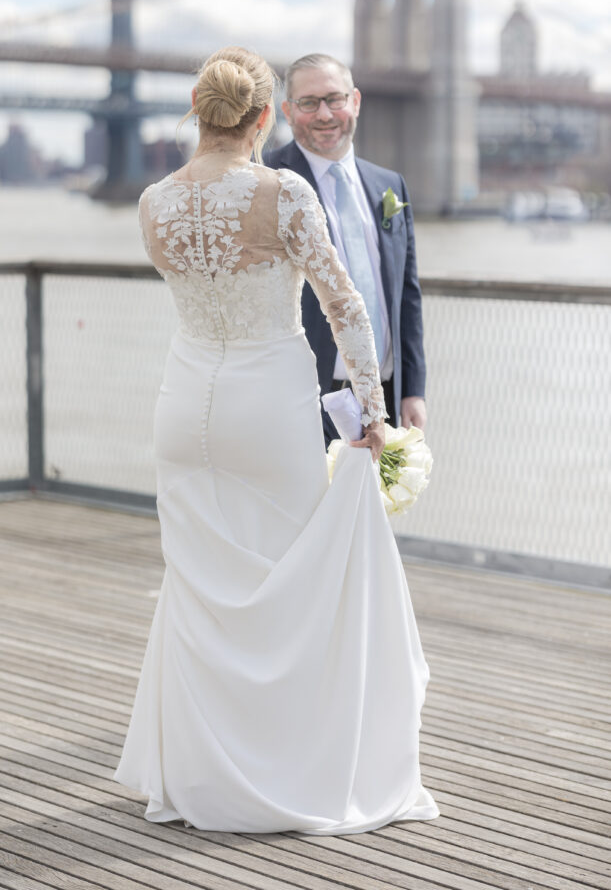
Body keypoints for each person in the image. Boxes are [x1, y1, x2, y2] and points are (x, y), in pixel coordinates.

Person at [114, 46, 438, 834]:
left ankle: (203, 774)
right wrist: (372, 412)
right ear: (265, 117)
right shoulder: (283, 190)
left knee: (199, 584)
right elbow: (347, 309)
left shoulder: (153, 201)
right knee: (290, 588)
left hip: (183, 404)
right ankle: (281, 769)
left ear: (199, 111)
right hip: (267, 404)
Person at [265, 53, 426, 443]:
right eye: (308, 103)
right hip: (301, 397)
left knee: (376, 505)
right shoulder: (266, 182)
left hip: (385, 397)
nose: (324, 114)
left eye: (334, 99)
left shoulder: (390, 185)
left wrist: (413, 388)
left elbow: (407, 294)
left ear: (355, 101)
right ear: (287, 110)